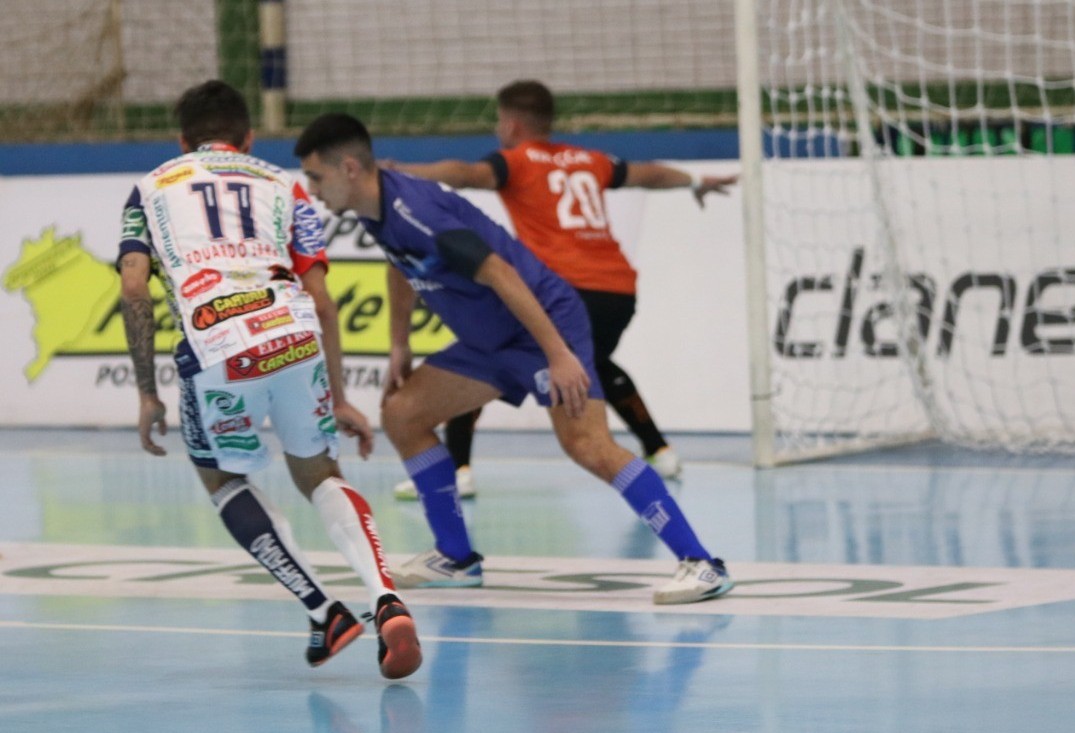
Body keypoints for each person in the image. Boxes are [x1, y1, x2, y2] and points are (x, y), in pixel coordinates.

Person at [293, 112, 734, 605]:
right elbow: (401, 267)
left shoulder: (416, 210)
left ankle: (701, 563)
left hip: (541, 325)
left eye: (315, 176)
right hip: (489, 341)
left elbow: (500, 272)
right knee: (403, 412)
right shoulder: (375, 210)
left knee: (587, 444)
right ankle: (456, 558)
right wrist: (401, 343)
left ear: (349, 168)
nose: (310, 190)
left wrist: (559, 353)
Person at [117, 80, 421, 679]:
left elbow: (133, 289)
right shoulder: (286, 185)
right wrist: (338, 397)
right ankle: (385, 596)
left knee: (223, 478)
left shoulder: (150, 188)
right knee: (318, 474)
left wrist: (148, 391)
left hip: (216, 344)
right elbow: (323, 300)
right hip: (294, 333)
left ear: (181, 141)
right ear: (249, 137)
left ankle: (323, 610)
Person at [387, 79, 739, 500]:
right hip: (617, 291)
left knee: (485, 356)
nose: (499, 129)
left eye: (500, 121)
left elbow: (464, 175)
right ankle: (659, 450)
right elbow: (650, 173)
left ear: (513, 124)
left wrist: (400, 174)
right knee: (593, 365)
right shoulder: (590, 159)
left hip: (561, 290)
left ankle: (458, 470)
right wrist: (694, 179)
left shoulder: (515, 161)